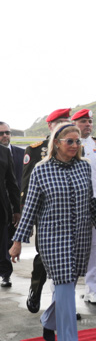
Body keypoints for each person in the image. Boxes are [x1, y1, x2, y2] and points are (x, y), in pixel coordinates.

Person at [11, 124, 96, 341]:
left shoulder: (84, 168)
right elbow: (30, 209)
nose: (74, 146)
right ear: (57, 142)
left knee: (68, 286)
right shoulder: (41, 170)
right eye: (69, 141)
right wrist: (18, 240)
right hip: (53, 238)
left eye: (77, 142)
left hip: (80, 236)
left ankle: (48, 320)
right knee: (63, 283)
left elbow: (91, 203)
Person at [22, 107, 71, 314]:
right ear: (50, 126)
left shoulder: (74, 147)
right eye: (60, 121)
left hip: (70, 212)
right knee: (45, 255)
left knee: (70, 257)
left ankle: (63, 302)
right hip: (45, 214)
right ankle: (36, 289)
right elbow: (26, 186)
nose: (65, 125)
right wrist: (26, 218)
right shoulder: (35, 150)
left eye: (67, 121)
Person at [71, 109, 96, 305]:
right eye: (83, 121)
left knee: (93, 248)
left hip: (94, 204)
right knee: (71, 249)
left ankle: (92, 289)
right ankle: (68, 292)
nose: (88, 125)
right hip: (72, 207)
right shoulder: (69, 145)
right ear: (74, 123)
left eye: (90, 121)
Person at [0, 121, 24, 288]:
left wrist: (16, 209)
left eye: (7, 132)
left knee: (3, 245)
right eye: (1, 133)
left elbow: (12, 183)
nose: (5, 136)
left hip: (2, 208)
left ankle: (5, 274)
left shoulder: (4, 153)